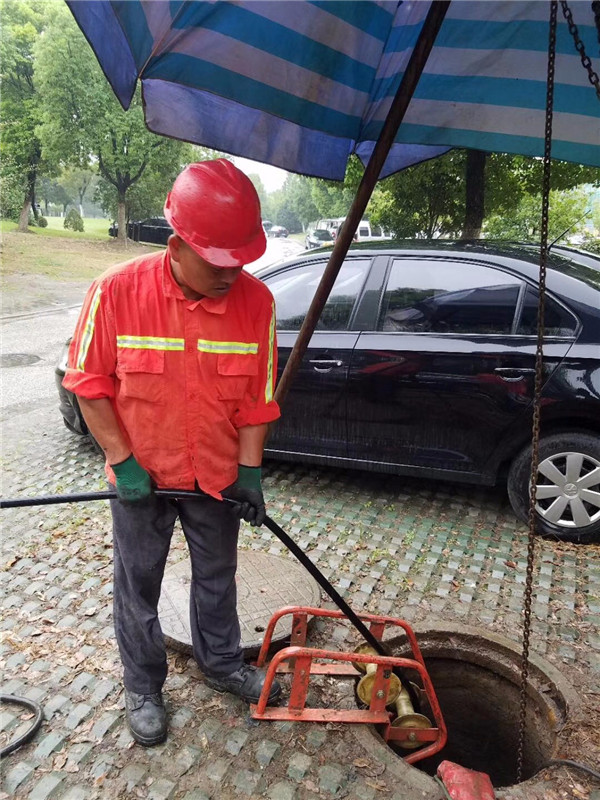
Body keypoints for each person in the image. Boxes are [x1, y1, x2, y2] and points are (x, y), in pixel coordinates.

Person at [62, 160, 282, 747]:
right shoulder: (114, 292)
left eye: (239, 261)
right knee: (138, 582)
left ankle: (221, 663)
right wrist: (124, 462)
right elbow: (87, 384)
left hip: (214, 479)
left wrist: (251, 473)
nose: (230, 275)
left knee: (218, 577)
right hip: (141, 480)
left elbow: (257, 401)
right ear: (177, 243)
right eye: (217, 262)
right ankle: (143, 685)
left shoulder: (257, 304)